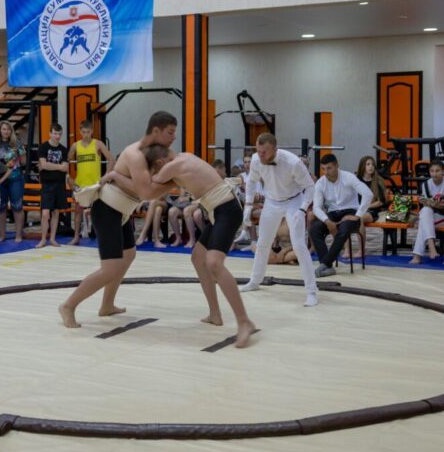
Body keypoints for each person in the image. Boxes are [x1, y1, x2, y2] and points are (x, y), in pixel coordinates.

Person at [58, 111, 177, 328]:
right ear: (156, 131)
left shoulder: (162, 152)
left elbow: (178, 165)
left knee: (129, 254)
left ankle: (107, 305)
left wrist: (115, 176)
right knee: (110, 268)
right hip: (106, 210)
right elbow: (146, 193)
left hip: (123, 211)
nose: (173, 138)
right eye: (170, 132)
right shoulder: (134, 154)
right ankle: (68, 305)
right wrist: (173, 183)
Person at [141, 144, 255, 347]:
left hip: (226, 210)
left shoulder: (171, 166)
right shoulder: (185, 156)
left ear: (159, 163)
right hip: (217, 210)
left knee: (214, 263)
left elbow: (148, 190)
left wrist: (120, 176)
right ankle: (214, 313)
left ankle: (244, 321)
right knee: (197, 258)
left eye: (156, 167)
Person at [239, 133, 320, 306]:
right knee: (262, 242)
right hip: (271, 202)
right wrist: (248, 205)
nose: (261, 155)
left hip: (294, 201)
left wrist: (302, 208)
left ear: (275, 149)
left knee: (299, 245)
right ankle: (255, 280)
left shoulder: (293, 162)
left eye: (265, 152)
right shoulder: (255, 160)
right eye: (258, 151)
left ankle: (311, 291)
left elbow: (310, 187)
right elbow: (251, 182)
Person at [309, 154, 373, 278]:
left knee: (343, 230)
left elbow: (368, 194)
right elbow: (316, 207)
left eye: (329, 168)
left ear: (337, 166)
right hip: (332, 214)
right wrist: (327, 221)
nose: (326, 172)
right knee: (315, 228)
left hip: (351, 212)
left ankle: (325, 264)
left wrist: (358, 215)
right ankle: (327, 266)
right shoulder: (320, 183)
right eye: (323, 169)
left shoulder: (348, 177)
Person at [68, 120, 114, 245]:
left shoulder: (98, 144)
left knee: (100, 211)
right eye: (83, 132)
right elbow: (65, 162)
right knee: (78, 211)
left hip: (95, 184)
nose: (86, 134)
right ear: (80, 131)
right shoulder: (75, 146)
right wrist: (69, 179)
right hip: (81, 184)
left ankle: (103, 236)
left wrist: (105, 177)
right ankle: (76, 237)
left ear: (92, 131)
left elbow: (111, 160)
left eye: (88, 132)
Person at [410, 159, 444, 264]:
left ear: (443, 171)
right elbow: (426, 204)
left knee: (423, 222)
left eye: (437, 171)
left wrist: (438, 205)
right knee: (425, 210)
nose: (434, 174)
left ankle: (418, 255)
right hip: (431, 215)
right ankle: (431, 248)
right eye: (432, 171)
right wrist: (427, 202)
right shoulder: (426, 184)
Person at [0, 121, 27, 243]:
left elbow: (23, 162)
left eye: (8, 129)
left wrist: (21, 153)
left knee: (17, 206)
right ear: (0, 131)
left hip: (15, 178)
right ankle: (2, 235)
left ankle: (18, 235)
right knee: (0, 207)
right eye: (3, 129)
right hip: (0, 179)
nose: (6, 131)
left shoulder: (17, 143)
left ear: (11, 131)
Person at [36, 123, 69, 248]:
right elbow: (43, 165)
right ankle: (43, 238)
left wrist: (56, 167)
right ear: (50, 133)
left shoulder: (63, 149)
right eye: (55, 133)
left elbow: (66, 168)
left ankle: (53, 239)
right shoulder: (43, 147)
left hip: (59, 184)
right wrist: (59, 166)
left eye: (59, 134)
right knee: (45, 213)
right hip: (47, 184)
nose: (57, 136)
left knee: (56, 212)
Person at [349, 155, 387, 257]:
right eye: (368, 164)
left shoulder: (378, 180)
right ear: (362, 166)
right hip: (358, 209)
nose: (371, 167)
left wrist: (365, 206)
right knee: (345, 216)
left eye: (372, 164)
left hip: (373, 211)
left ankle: (361, 251)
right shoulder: (356, 180)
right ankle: (346, 250)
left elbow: (381, 202)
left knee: (359, 218)